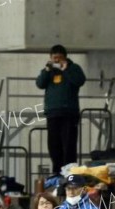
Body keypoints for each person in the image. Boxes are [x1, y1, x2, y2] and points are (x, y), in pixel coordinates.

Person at [36, 44, 87, 174]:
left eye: (59, 58)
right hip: (53, 113)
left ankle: (69, 172)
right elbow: (40, 84)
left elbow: (79, 81)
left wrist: (66, 70)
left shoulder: (74, 68)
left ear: (65, 57)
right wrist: (47, 70)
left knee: (68, 144)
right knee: (53, 145)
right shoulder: (49, 70)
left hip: (69, 113)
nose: (57, 61)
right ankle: (56, 172)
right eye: (54, 58)